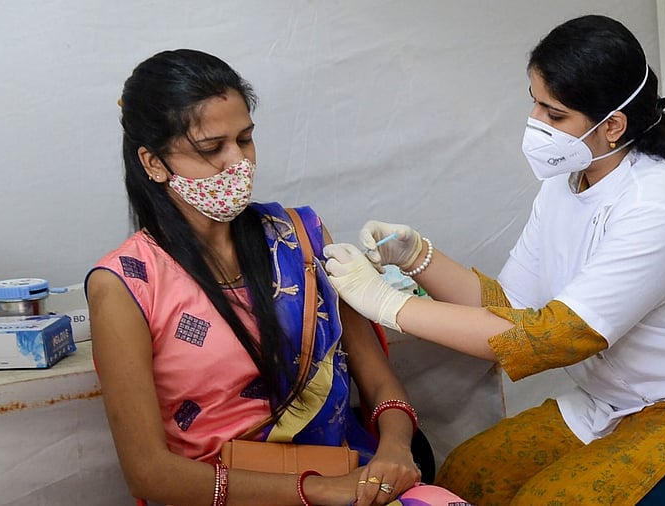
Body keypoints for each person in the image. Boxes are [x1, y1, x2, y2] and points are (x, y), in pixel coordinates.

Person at [323, 14, 665, 506]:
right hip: (608, 401)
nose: (536, 124)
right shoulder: (568, 181)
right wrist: (418, 257)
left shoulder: (662, 204)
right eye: (534, 103)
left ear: (613, 125)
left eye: (554, 115)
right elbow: (512, 304)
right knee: (468, 474)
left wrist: (386, 304)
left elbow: (554, 337)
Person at [86, 49, 437, 506]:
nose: (239, 163)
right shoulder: (125, 284)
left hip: (350, 475)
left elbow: (378, 380)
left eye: (245, 140)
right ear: (153, 163)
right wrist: (318, 491)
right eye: (212, 148)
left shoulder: (302, 239)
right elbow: (149, 474)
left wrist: (394, 446)